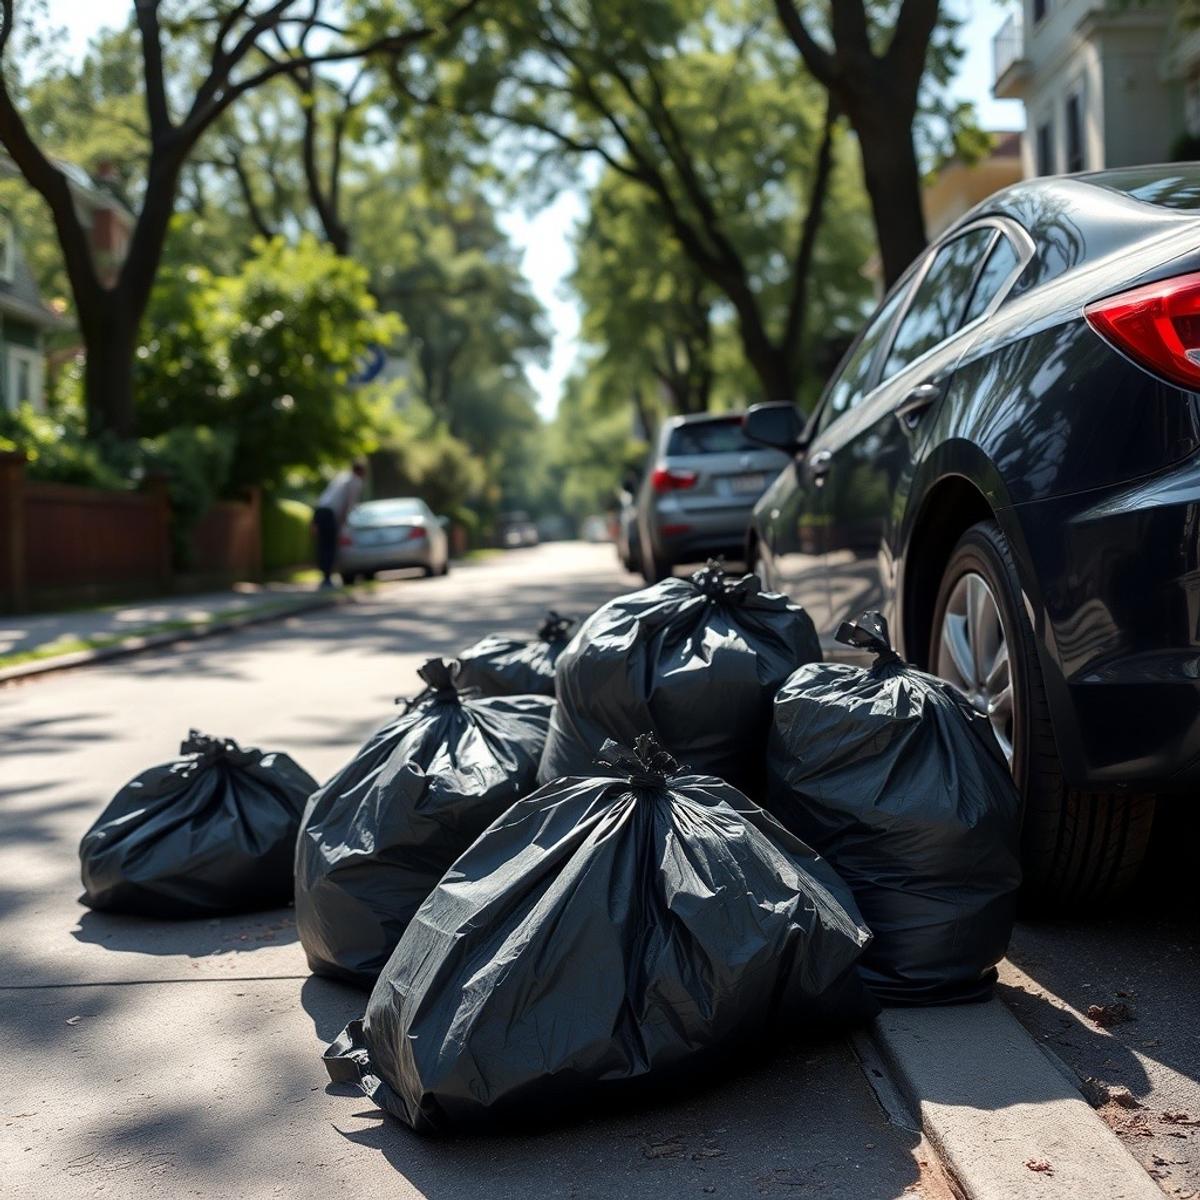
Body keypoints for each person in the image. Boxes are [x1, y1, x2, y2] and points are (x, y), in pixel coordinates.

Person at [313, 460, 366, 587]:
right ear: (361, 471)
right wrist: (343, 523)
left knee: (322, 546)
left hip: (320, 511)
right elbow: (348, 504)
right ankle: (327, 578)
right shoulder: (355, 481)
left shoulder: (342, 476)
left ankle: (325, 576)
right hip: (330, 514)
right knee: (330, 546)